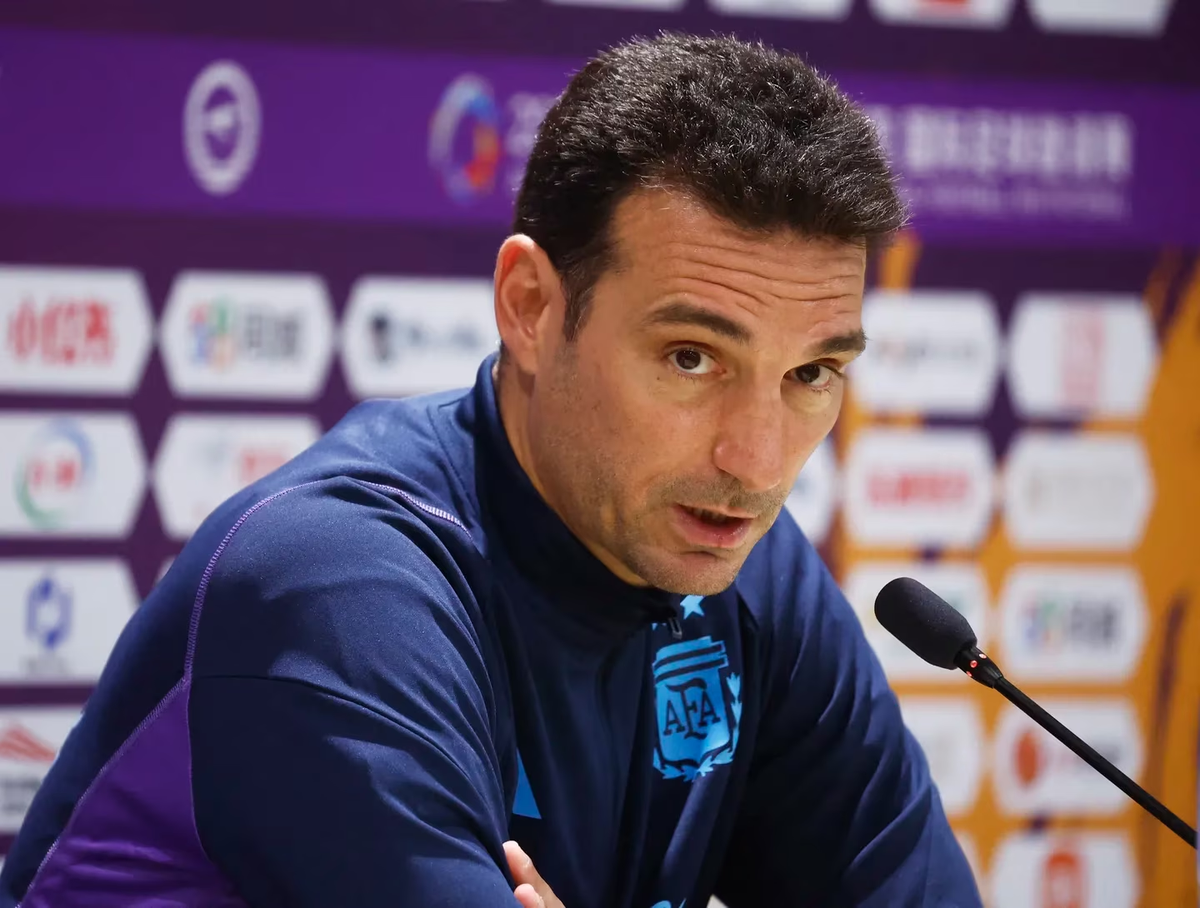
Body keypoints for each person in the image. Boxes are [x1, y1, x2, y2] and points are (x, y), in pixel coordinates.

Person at [0, 33, 981, 908]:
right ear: (530, 308)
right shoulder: (339, 584)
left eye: (811, 374)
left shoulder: (749, 572)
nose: (758, 461)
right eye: (691, 358)